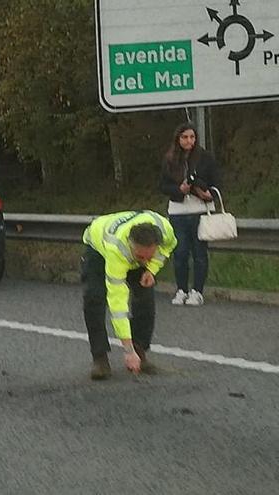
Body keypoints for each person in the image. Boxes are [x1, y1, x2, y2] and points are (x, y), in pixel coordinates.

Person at [82, 210, 177, 380]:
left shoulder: (165, 229)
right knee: (94, 298)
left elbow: (168, 247)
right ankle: (100, 358)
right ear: (130, 245)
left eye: (149, 256)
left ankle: (140, 352)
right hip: (98, 248)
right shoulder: (116, 249)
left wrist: (151, 270)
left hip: (134, 247)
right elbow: (117, 304)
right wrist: (127, 350)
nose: (144, 261)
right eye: (141, 257)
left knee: (145, 297)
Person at [159, 123, 221, 307]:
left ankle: (198, 291)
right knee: (180, 252)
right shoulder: (170, 159)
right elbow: (162, 185)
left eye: (192, 137)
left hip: (200, 210)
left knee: (200, 253)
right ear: (178, 139)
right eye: (185, 137)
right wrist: (179, 189)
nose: (189, 141)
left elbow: (217, 181)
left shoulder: (205, 157)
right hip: (178, 212)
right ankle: (181, 290)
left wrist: (207, 192)